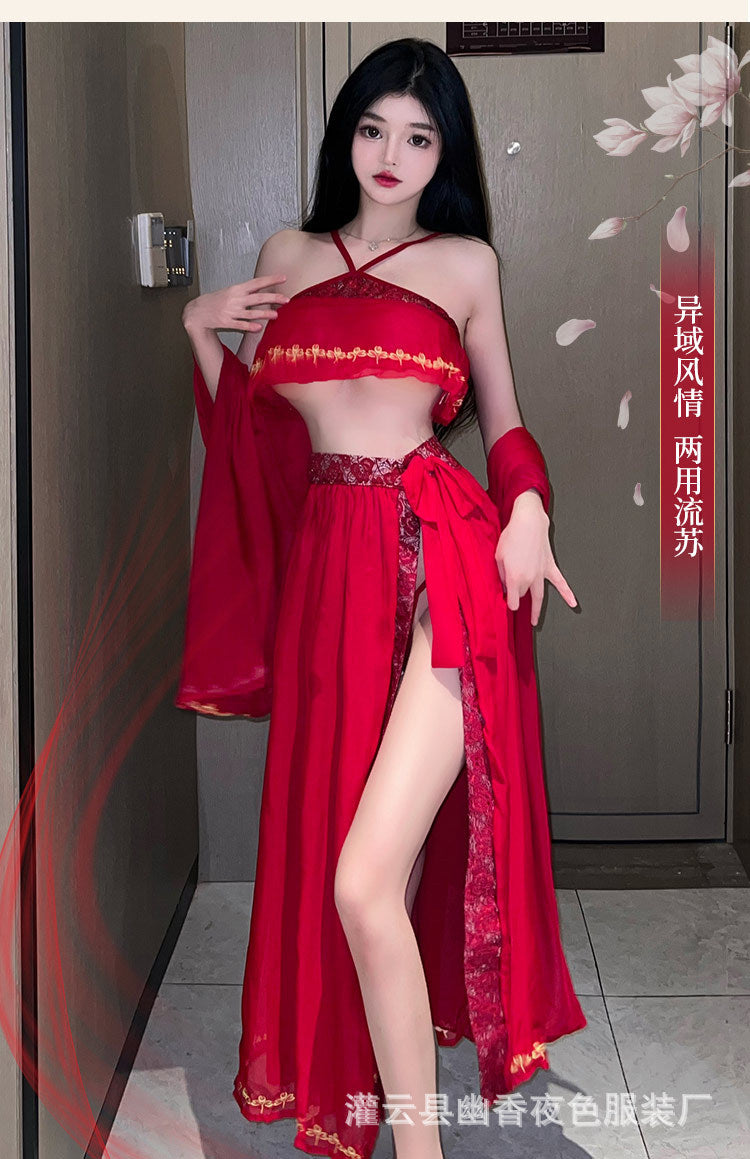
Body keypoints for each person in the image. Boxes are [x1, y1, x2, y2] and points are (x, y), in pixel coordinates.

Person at [175, 36, 587, 1159]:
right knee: (367, 865)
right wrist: (200, 329)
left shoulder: (466, 264)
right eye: (372, 128)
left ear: (445, 154)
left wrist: (530, 510)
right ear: (344, 137)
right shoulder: (289, 255)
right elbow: (262, 438)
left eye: (419, 135)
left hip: (442, 557)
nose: (391, 154)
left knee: (363, 881)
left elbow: (506, 425)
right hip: (328, 572)